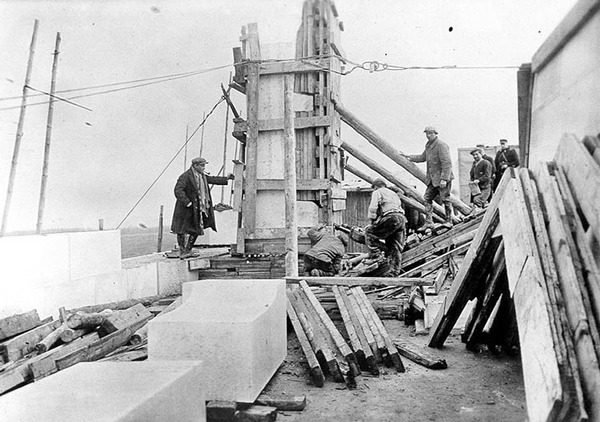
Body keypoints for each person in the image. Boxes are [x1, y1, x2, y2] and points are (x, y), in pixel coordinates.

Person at [171, 157, 234, 259]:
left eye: (204, 165)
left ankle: (188, 250)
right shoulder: (185, 176)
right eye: (202, 165)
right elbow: (178, 190)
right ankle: (183, 251)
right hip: (186, 209)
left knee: (196, 228)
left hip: (197, 209)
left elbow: (212, 179)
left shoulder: (201, 176)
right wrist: (187, 202)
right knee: (182, 229)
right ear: (195, 166)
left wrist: (226, 178)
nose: (204, 168)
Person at [405, 125, 454, 229]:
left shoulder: (441, 145)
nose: (428, 135)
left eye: (430, 133)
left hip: (442, 179)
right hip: (432, 180)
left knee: (445, 199)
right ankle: (429, 222)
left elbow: (447, 163)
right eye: (427, 133)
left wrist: (444, 179)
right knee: (427, 198)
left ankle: (449, 221)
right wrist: (409, 157)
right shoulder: (428, 145)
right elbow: (423, 157)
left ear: (435, 134)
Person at [364, 178, 406, 277]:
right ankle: (393, 273)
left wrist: (372, 221)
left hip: (391, 218)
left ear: (376, 186)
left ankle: (376, 255)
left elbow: (373, 207)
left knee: (369, 232)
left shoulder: (377, 192)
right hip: (401, 218)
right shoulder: (393, 194)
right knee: (395, 247)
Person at [469, 148, 493, 215]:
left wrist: (479, 180)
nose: (475, 156)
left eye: (477, 154)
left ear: (481, 154)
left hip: (485, 187)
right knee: (476, 203)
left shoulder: (486, 163)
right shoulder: (474, 164)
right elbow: (472, 174)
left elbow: (487, 176)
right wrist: (471, 180)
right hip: (476, 188)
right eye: (473, 155)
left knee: (477, 200)